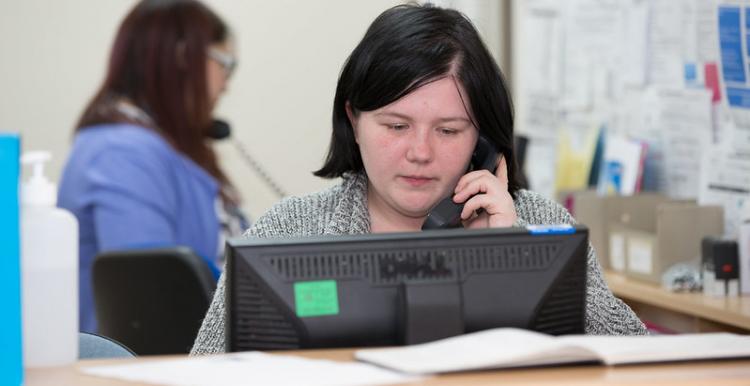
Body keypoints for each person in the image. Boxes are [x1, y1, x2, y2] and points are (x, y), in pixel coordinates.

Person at [191, 3, 647, 355]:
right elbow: (201, 371)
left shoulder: (537, 224)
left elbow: (637, 355)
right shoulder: (290, 230)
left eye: (449, 131)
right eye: (396, 126)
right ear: (354, 120)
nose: (420, 153)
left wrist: (511, 250)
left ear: (482, 139)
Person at [58, 0, 247, 333]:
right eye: (224, 64)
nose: (227, 84)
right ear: (181, 56)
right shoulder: (121, 153)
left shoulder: (165, 146)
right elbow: (153, 298)